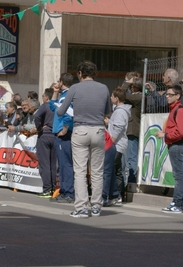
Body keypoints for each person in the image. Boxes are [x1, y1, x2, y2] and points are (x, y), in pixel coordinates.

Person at [57, 61, 111, 218]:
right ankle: (96, 206)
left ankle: (81, 207)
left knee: (80, 171)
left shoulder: (74, 88)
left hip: (80, 130)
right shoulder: (104, 88)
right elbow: (108, 111)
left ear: (80, 73)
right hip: (98, 130)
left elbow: (61, 111)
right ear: (94, 73)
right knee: (97, 170)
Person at [155, 85, 183, 213]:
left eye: (170, 94)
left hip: (177, 146)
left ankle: (177, 203)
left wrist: (165, 135)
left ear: (178, 96)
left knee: (179, 176)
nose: (167, 96)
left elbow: (180, 132)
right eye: (166, 94)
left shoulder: (179, 110)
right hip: (175, 145)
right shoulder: (175, 109)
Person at [49, 73, 75, 203]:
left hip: (64, 133)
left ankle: (68, 192)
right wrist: (55, 93)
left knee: (66, 164)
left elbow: (69, 114)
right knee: (63, 164)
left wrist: (65, 129)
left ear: (61, 82)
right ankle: (65, 191)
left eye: (58, 82)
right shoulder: (62, 95)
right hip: (60, 132)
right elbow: (52, 107)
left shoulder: (67, 96)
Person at [103, 87, 131, 206]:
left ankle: (115, 195)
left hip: (116, 144)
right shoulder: (118, 110)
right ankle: (115, 194)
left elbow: (118, 128)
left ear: (117, 98)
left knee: (111, 170)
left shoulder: (120, 112)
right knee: (114, 170)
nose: (110, 98)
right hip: (116, 144)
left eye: (112, 96)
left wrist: (111, 141)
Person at [34, 87, 57, 198]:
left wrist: (39, 128)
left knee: (45, 164)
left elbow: (37, 116)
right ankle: (53, 188)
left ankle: (47, 189)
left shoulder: (45, 105)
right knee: (53, 164)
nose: (42, 98)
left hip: (45, 134)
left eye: (43, 96)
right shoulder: (58, 105)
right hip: (56, 135)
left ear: (47, 97)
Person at [124, 77, 143, 189]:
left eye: (131, 86)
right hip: (129, 129)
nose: (130, 89)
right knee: (128, 157)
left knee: (132, 157)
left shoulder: (138, 96)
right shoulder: (137, 96)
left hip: (132, 129)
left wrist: (126, 83)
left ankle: (132, 180)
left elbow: (121, 95)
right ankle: (129, 179)